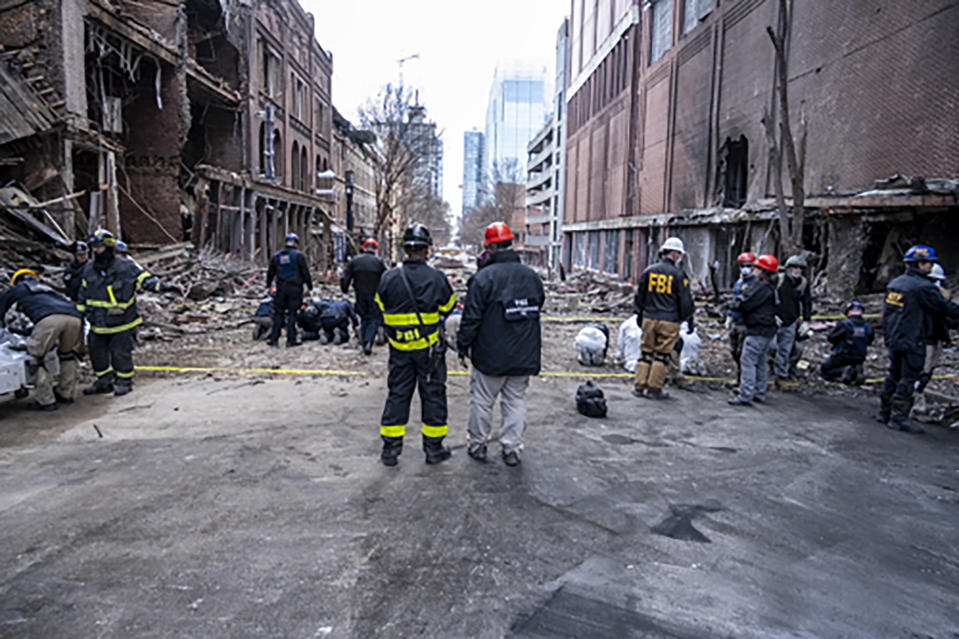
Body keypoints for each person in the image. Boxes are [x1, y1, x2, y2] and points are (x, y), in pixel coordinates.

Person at [457, 222, 545, 466]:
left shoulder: (483, 278)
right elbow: (539, 304)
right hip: (523, 355)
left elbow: (471, 318)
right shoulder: (531, 277)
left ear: (489, 248)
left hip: (491, 355)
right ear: (510, 244)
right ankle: (512, 448)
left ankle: (478, 445)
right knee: (515, 400)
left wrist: (463, 346)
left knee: (482, 401)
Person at [375, 223, 457, 466]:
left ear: (405, 250)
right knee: (433, 396)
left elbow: (379, 307)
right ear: (426, 250)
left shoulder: (389, 277)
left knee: (398, 395)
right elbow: (448, 307)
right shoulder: (436, 278)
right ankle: (433, 449)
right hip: (429, 351)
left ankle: (390, 450)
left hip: (399, 351)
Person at [78, 229, 180, 396]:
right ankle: (104, 381)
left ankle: (124, 381)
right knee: (97, 354)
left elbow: (144, 280)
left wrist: (164, 287)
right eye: (94, 247)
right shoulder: (89, 269)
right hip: (97, 323)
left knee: (120, 354)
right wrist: (79, 315)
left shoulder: (125, 267)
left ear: (109, 248)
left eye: (100, 247)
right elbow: (83, 293)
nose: (96, 251)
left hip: (121, 322)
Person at [879, 245, 959, 433]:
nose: (931, 266)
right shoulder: (923, 287)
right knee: (909, 377)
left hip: (894, 337)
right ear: (920, 264)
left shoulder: (896, 283)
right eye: (929, 263)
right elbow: (944, 308)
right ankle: (898, 418)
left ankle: (884, 412)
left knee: (893, 374)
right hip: (913, 338)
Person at [0, 269, 83, 410]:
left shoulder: (19, 288)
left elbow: (1, 308)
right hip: (74, 318)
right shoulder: (47, 289)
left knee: (35, 358)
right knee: (67, 355)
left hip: (48, 319)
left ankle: (46, 401)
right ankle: (66, 393)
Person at [632, 236, 694, 400]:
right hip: (669, 320)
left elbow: (639, 297)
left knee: (646, 353)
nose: (679, 258)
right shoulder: (679, 275)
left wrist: (639, 315)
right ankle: (654, 389)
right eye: (679, 254)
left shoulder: (648, 271)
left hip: (649, 318)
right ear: (674, 254)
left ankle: (639, 385)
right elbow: (686, 302)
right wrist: (687, 319)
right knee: (661, 356)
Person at [728, 254, 779, 406]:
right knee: (761, 362)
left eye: (756, 267)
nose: (753, 270)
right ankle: (759, 392)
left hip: (757, 330)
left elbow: (746, 303)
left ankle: (746, 394)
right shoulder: (770, 287)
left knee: (748, 361)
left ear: (763, 270)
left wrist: (732, 306)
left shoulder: (761, 287)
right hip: (767, 331)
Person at [266, 233, 313, 347]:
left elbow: (270, 272)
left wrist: (268, 284)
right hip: (295, 289)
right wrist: (310, 286)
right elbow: (305, 272)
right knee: (293, 314)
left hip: (281, 288)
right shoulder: (299, 256)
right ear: (296, 244)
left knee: (278, 313)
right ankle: (291, 340)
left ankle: (274, 339)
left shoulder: (277, 256)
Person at [341, 237, 386, 355]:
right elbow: (386, 279)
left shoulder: (355, 261)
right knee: (373, 319)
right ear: (375, 249)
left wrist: (344, 289)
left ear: (363, 248)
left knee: (364, 317)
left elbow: (346, 277)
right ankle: (368, 341)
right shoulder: (379, 262)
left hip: (359, 294)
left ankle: (365, 339)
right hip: (375, 295)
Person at [773, 254, 812, 385]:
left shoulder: (803, 283)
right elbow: (767, 296)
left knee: (786, 350)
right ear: (788, 268)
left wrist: (806, 321)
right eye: (794, 267)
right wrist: (771, 314)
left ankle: (780, 376)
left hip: (791, 322)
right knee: (770, 347)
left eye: (800, 268)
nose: (797, 270)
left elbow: (807, 302)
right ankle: (765, 373)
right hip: (774, 320)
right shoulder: (778, 279)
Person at [917, 263, 956, 393]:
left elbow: (946, 318)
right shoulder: (924, 296)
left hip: (934, 337)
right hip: (924, 337)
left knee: (928, 369)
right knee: (922, 370)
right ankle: (913, 398)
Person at [821, 301, 873, 384]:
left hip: (843, 355)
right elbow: (869, 340)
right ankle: (856, 370)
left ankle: (843, 371)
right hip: (860, 356)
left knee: (825, 369)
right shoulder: (867, 326)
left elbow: (831, 337)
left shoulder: (845, 324)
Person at [727, 252, 756, 371]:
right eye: (743, 265)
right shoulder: (739, 282)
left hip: (746, 323)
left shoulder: (755, 283)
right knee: (735, 351)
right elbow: (734, 298)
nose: (746, 269)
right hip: (735, 321)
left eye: (749, 266)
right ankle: (739, 377)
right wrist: (729, 316)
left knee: (744, 353)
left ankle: (743, 381)